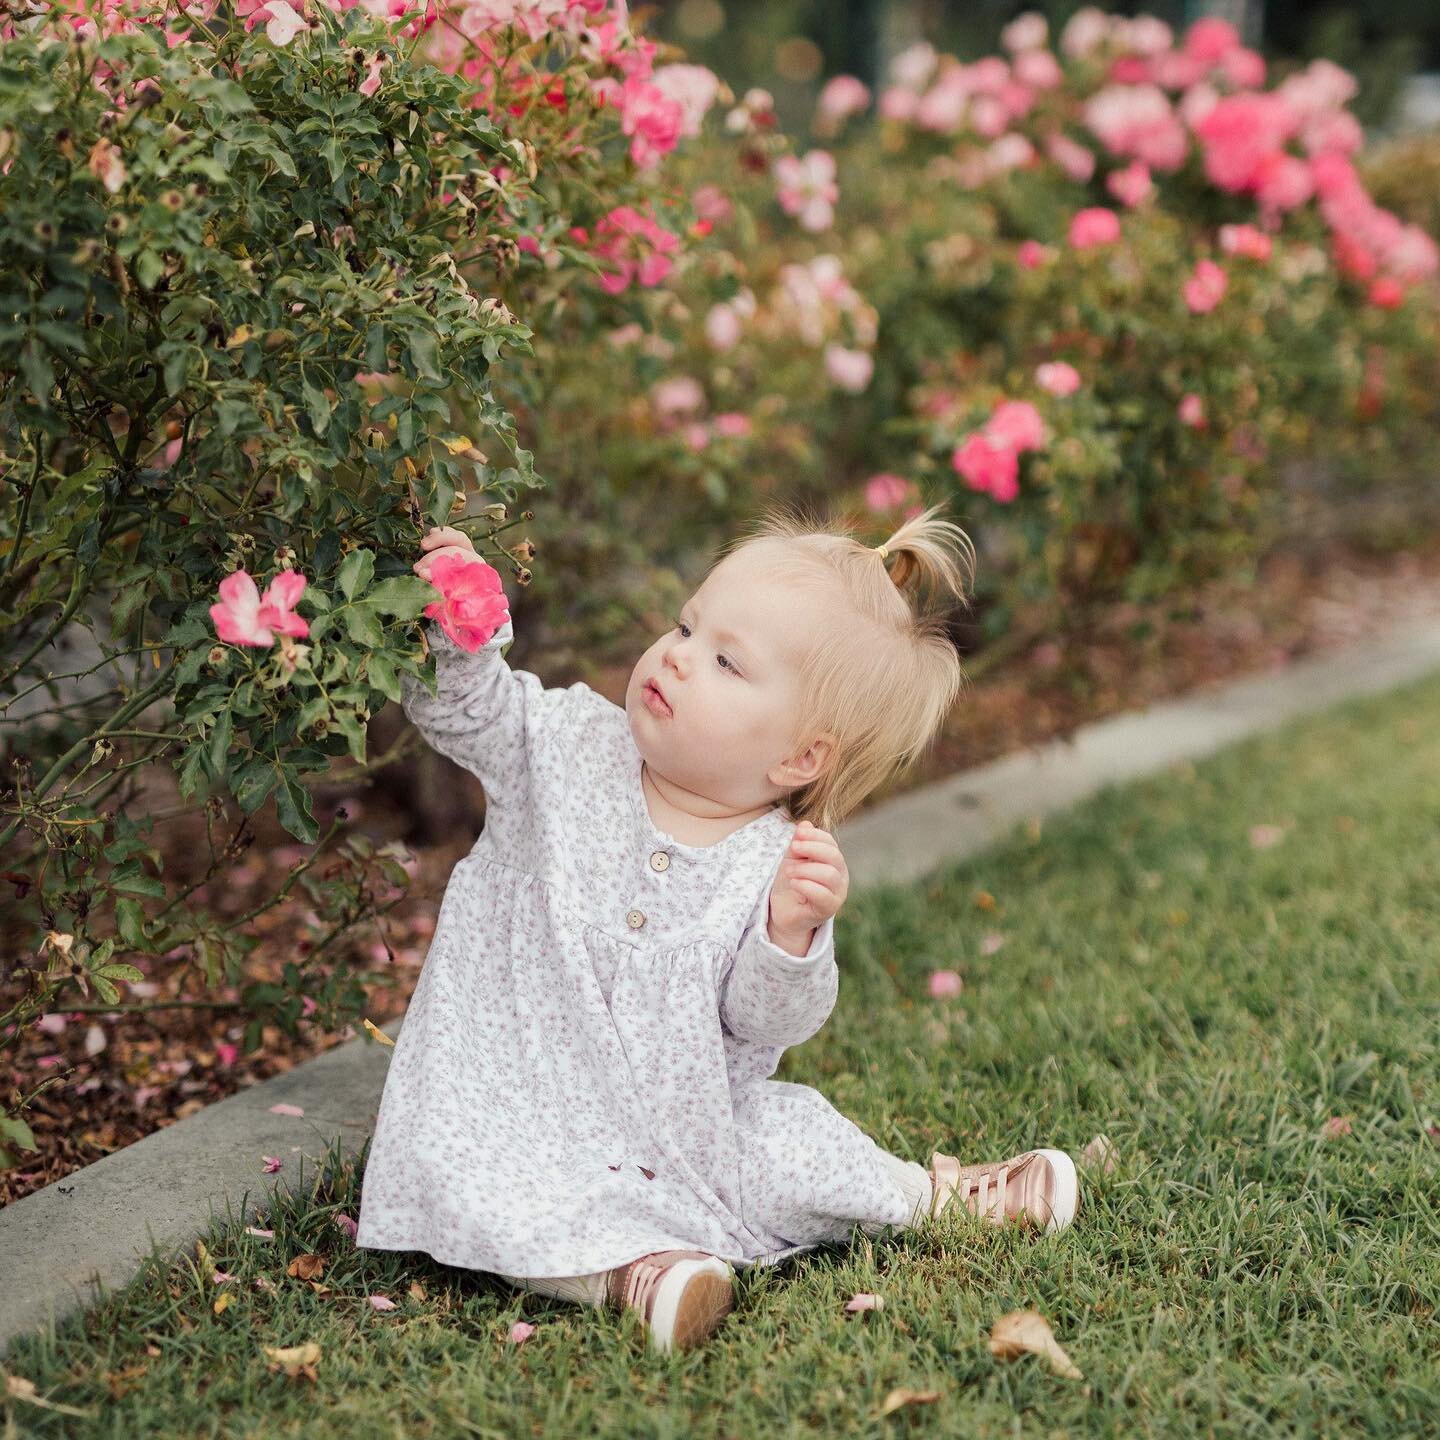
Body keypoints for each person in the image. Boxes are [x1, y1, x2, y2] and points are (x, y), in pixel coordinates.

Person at [354, 500, 1079, 1353]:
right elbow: (464, 713)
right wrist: (461, 621)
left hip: (692, 1129)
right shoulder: (564, 747)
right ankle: (635, 1275)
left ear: (799, 758)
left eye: (728, 663)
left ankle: (932, 1198)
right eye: (686, 627)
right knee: (479, 1172)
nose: (680, 658)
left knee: (792, 1138)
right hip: (519, 1103)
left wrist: (792, 935)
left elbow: (766, 1025)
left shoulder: (777, 864)